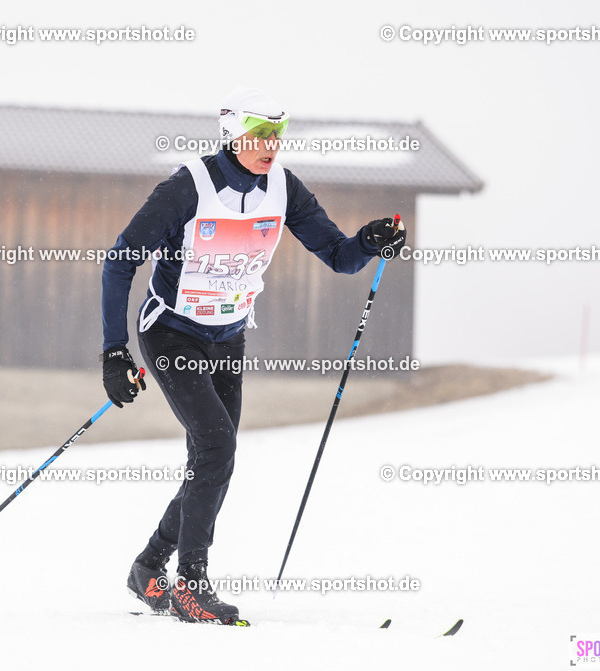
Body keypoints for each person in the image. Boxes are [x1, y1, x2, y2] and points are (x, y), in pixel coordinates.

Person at [100, 87, 405, 624]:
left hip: (228, 336)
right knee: (216, 449)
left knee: (213, 460)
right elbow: (120, 261)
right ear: (232, 134)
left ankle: (149, 566)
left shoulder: (284, 188)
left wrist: (370, 240)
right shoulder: (187, 187)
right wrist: (113, 350)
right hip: (172, 334)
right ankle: (191, 585)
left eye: (277, 135)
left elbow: (339, 257)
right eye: (259, 134)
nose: (270, 146)